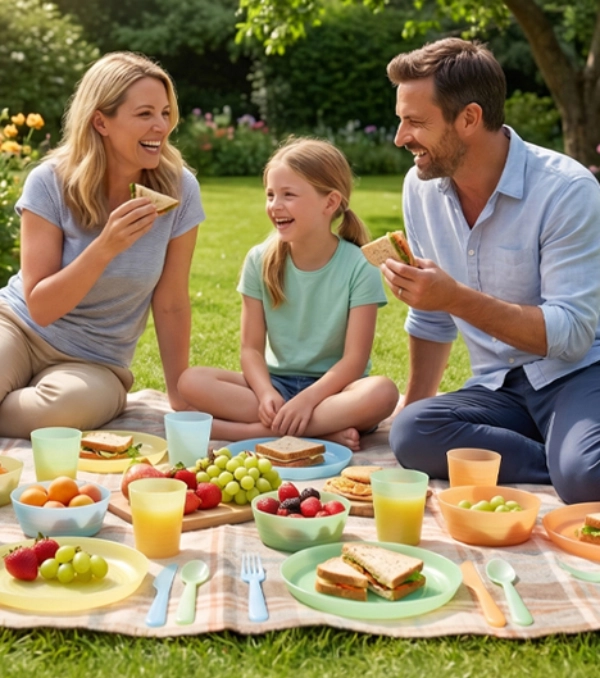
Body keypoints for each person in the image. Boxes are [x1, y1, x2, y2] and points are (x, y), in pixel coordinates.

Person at [382, 37, 600, 504]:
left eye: (414, 123)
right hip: (499, 388)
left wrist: (455, 297)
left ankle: (574, 463)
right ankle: (562, 459)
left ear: (469, 119)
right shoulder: (420, 190)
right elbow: (431, 316)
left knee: (587, 479)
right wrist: (415, 401)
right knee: (411, 433)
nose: (400, 138)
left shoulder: (567, 190)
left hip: (579, 374)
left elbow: (574, 334)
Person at [0, 51, 204, 439]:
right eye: (144, 114)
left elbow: (172, 300)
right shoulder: (49, 183)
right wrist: (104, 247)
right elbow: (40, 308)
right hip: (19, 327)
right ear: (100, 121)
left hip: (97, 361)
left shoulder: (180, 189)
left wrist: (178, 393)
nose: (160, 125)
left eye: (165, 112)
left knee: (62, 411)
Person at [178, 137, 398, 451]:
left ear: (330, 203)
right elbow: (250, 350)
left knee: (383, 392)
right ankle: (316, 433)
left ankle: (257, 432)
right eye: (270, 194)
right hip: (275, 386)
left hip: (335, 391)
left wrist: (309, 399)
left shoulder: (359, 266)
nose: (275, 205)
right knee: (190, 381)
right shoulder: (259, 259)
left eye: (289, 195)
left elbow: (354, 360)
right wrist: (266, 392)